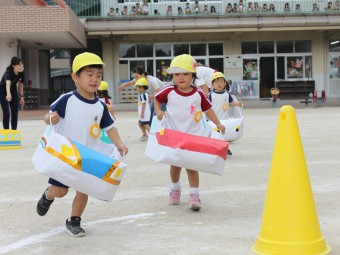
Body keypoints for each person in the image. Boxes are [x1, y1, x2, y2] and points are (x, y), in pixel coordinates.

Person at [36, 52, 128, 237]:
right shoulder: (67, 100)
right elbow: (48, 117)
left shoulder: (101, 106)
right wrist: (50, 118)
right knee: (61, 191)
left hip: (87, 156)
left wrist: (119, 144)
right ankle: (48, 195)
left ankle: (74, 220)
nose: (95, 79)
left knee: (84, 189)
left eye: (98, 75)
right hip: (65, 155)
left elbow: (110, 128)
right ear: (75, 77)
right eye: (89, 74)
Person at [154, 54, 225, 211]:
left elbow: (207, 109)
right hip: (174, 137)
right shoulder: (169, 91)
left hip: (193, 137)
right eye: (177, 74)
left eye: (185, 74)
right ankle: (175, 188)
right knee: (175, 166)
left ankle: (194, 195)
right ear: (172, 76)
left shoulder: (198, 93)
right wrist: (158, 111)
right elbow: (157, 99)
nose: (181, 78)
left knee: (192, 166)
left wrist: (218, 123)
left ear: (193, 75)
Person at [207, 71, 243, 156]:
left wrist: (237, 103)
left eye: (221, 82)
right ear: (213, 85)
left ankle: (226, 148)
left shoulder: (227, 94)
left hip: (225, 119)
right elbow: (207, 106)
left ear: (224, 84)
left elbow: (230, 103)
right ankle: (215, 149)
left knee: (224, 134)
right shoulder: (210, 95)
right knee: (215, 135)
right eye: (216, 82)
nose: (219, 84)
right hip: (214, 120)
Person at [0, 57, 25, 130]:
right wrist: (8, 94)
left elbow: (21, 85)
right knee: (6, 113)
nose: (21, 66)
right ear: (14, 65)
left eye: (22, 64)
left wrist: (22, 97)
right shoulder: (8, 73)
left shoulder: (22, 74)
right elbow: (8, 83)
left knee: (14, 113)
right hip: (3, 91)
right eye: (19, 65)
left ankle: (14, 132)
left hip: (13, 90)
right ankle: (6, 132)